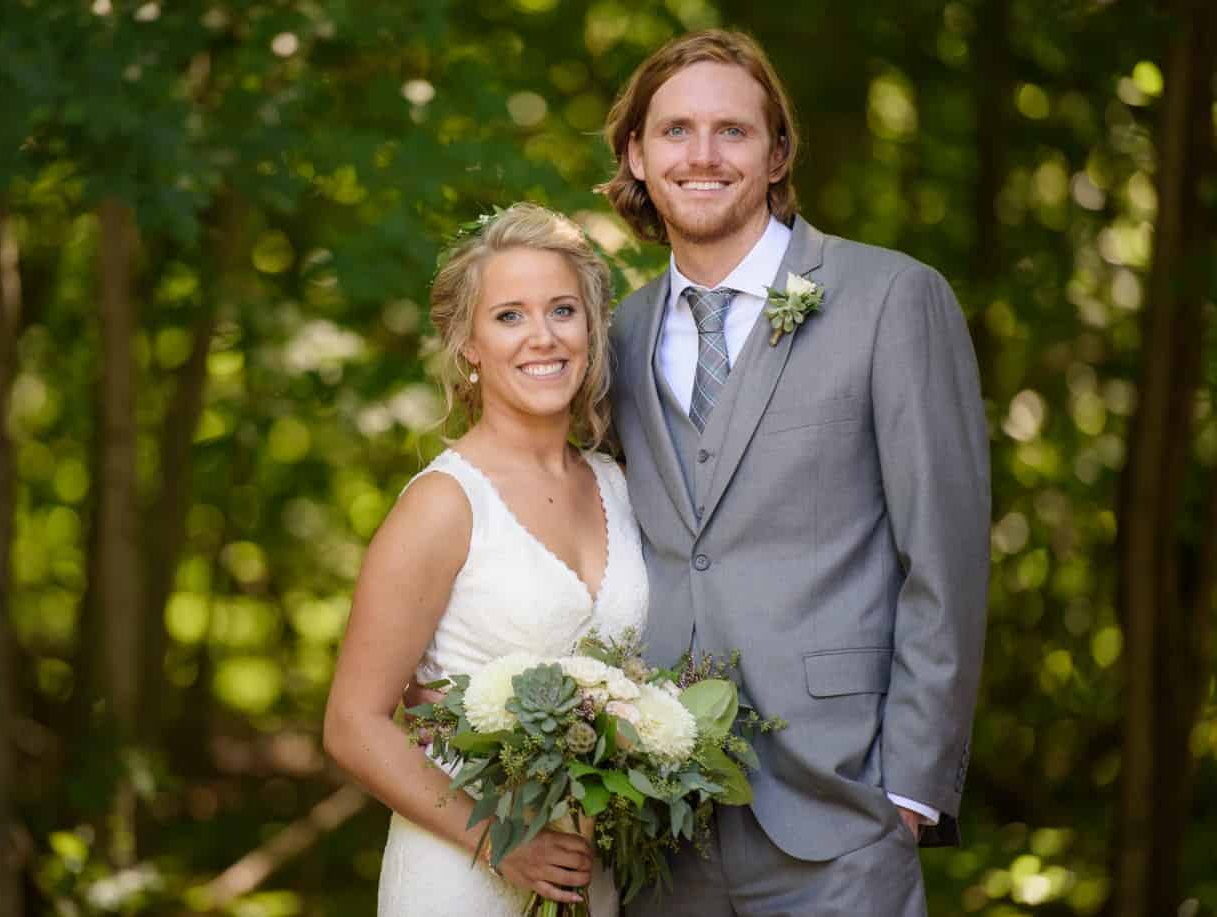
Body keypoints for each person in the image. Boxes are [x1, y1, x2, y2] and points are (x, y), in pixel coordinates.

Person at [598, 29, 989, 914]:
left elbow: (946, 555)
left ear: (777, 154)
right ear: (636, 151)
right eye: (675, 131)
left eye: (732, 132)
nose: (702, 156)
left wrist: (912, 789)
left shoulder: (892, 297)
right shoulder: (616, 334)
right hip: (660, 820)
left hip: (843, 809)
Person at [325, 204, 648, 915]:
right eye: (509, 316)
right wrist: (502, 837)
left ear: (590, 330)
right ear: (469, 344)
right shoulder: (444, 503)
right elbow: (353, 722)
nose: (543, 336)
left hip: (588, 876)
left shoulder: (619, 485)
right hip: (462, 872)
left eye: (563, 310)